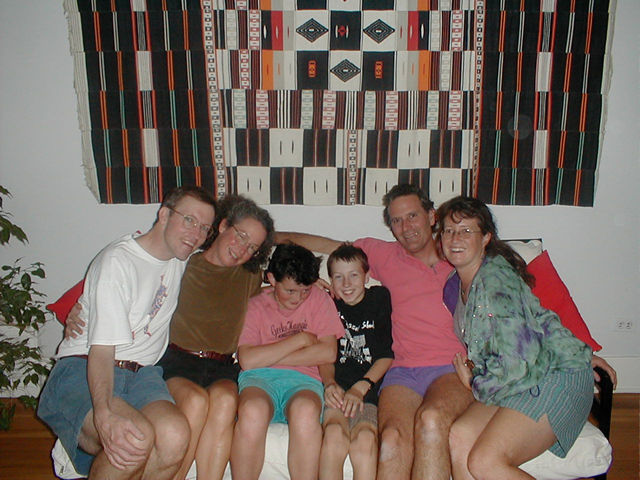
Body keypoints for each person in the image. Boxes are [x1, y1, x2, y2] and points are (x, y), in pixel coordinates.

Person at [275, 183, 617, 480]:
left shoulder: (467, 262)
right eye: (396, 220)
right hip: (402, 370)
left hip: (450, 369)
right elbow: (328, 248)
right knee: (391, 439)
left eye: (412, 215)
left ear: (431, 216)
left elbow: (530, 314)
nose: (406, 227)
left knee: (432, 420)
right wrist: (273, 243)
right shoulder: (389, 256)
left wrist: (580, 351)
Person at [63, 194, 275, 480]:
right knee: (195, 402)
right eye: (240, 236)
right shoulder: (183, 260)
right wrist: (76, 311)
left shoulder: (249, 277)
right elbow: (121, 277)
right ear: (223, 226)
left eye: (252, 247)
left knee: (226, 400)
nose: (241, 249)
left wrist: (316, 280)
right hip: (179, 360)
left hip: (223, 365)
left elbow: (286, 278)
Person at [38, 186, 216, 479]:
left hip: (142, 376)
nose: (196, 234)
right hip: (86, 367)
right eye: (189, 220)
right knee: (135, 437)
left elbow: (238, 240)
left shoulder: (180, 257)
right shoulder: (118, 262)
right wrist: (104, 412)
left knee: (175, 436)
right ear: (164, 215)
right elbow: (102, 350)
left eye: (204, 228)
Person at [436, 196, 594, 479]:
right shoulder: (455, 284)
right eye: (449, 230)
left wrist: (474, 382)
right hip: (515, 381)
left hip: (553, 376)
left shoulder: (496, 281)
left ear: (486, 237)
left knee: (485, 461)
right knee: (459, 435)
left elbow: (519, 361)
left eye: (466, 230)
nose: (455, 238)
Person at [230, 244, 345, 480]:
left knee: (306, 410)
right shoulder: (255, 303)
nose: (298, 298)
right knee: (252, 410)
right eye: (290, 291)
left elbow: (328, 353)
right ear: (272, 279)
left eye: (304, 290)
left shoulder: (319, 299)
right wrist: (299, 340)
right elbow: (247, 360)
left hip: (304, 380)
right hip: (259, 380)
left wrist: (268, 355)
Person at [318, 244, 394, 480]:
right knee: (333, 434)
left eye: (354, 275)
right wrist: (330, 383)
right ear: (330, 281)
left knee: (365, 439)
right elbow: (323, 353)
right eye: (338, 277)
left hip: (368, 388)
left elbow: (386, 355)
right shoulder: (327, 304)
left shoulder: (379, 299)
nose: (347, 284)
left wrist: (361, 388)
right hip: (337, 388)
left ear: (367, 276)